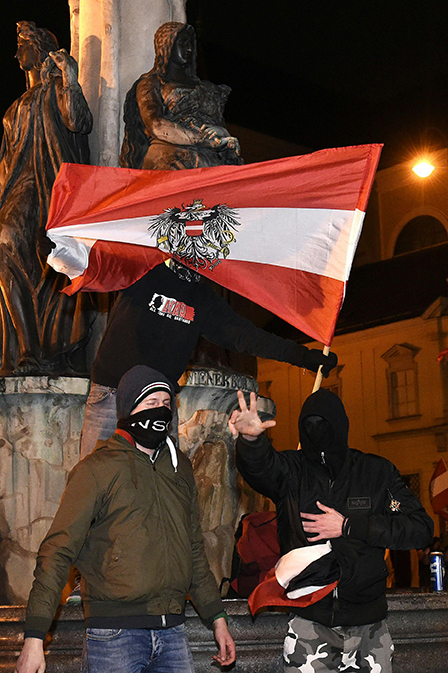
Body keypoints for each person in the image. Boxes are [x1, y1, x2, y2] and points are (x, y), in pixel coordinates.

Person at [15, 365, 235, 673]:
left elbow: (194, 549)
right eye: (150, 403)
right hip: (115, 636)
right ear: (129, 409)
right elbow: (58, 551)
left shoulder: (179, 468)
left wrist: (217, 618)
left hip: (172, 633)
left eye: (165, 403)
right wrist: (35, 637)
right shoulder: (97, 469)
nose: (160, 411)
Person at [229, 388, 433, 673]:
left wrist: (349, 526)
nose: (316, 431)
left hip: (368, 628)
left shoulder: (375, 472)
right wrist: (251, 441)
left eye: (324, 423)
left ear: (341, 426)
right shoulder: (292, 472)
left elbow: (419, 528)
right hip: (309, 624)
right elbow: (262, 468)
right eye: (309, 424)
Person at [80, 258, 338, 457]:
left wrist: (305, 357)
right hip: (112, 396)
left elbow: (247, 336)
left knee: (165, 489)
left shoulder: (202, 300)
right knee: (91, 484)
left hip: (160, 405)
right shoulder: (143, 269)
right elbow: (96, 261)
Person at [0, 21, 95, 375]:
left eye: (22, 44)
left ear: (39, 48)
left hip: (54, 185)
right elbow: (5, 160)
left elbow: (79, 120)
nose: (16, 53)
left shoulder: (55, 88)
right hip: (20, 186)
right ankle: (26, 347)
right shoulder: (15, 107)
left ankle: (43, 348)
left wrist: (70, 77)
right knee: (5, 244)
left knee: (41, 253)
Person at [120, 22, 242, 170]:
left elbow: (220, 128)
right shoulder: (151, 84)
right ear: (166, 46)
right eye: (183, 43)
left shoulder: (208, 89)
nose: (189, 49)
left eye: (191, 44)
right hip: (170, 159)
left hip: (210, 162)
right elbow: (156, 125)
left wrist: (223, 134)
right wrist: (201, 140)